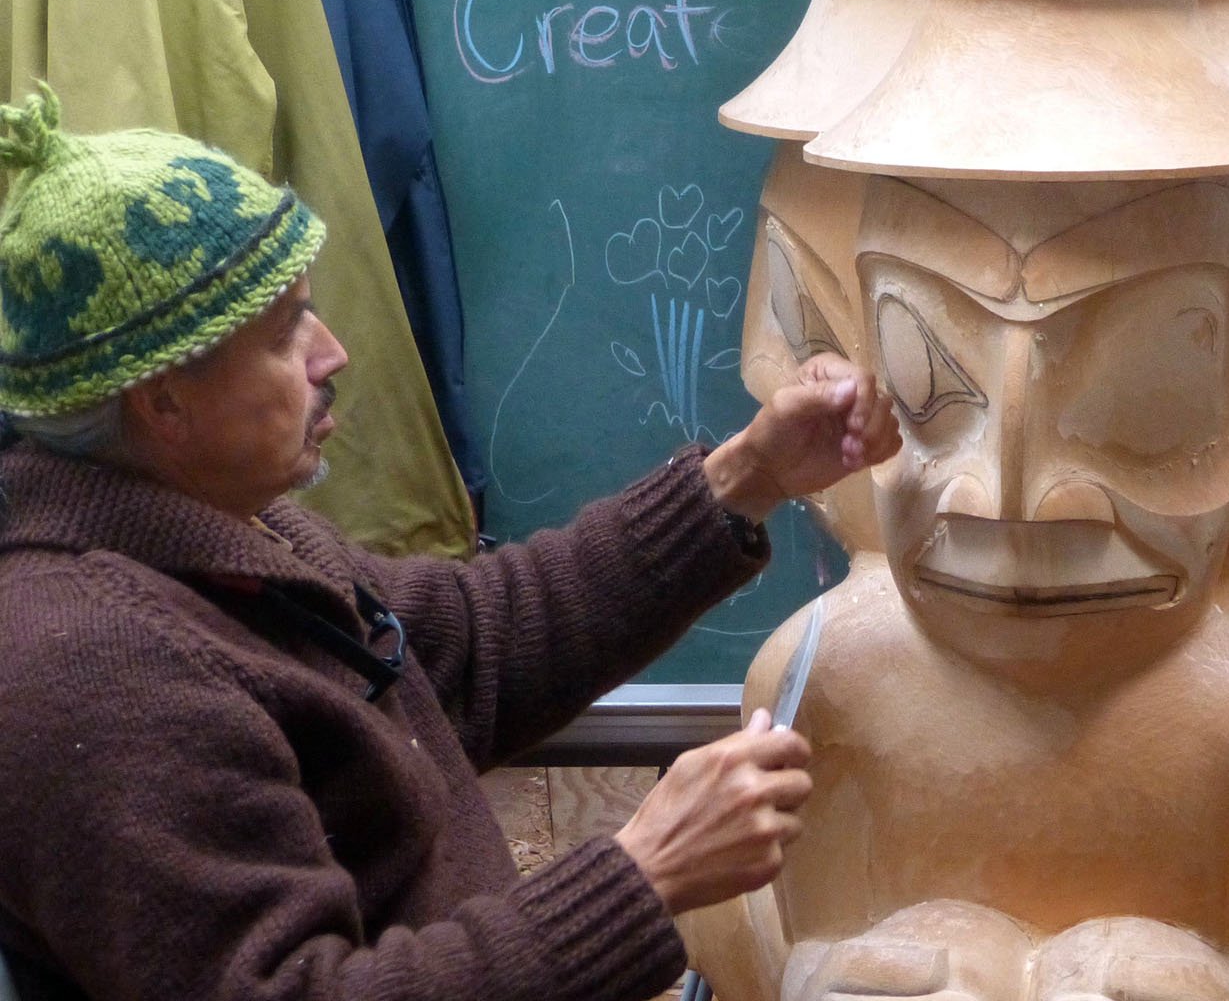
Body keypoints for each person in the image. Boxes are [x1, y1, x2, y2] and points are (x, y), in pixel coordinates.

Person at [0, 86, 900, 1001]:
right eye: (281, 335)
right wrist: (642, 874)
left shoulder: (232, 532)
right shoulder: (99, 673)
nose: (332, 353)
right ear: (164, 401)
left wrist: (748, 475)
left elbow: (465, 653)